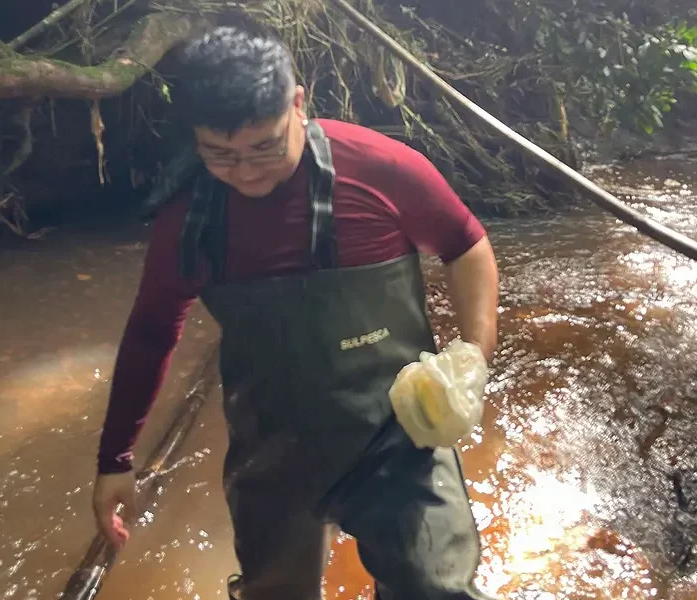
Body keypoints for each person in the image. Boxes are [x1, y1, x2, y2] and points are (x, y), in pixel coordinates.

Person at [92, 26, 500, 600]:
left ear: (298, 105)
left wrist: (473, 355)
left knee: (435, 586)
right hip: (273, 448)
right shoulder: (187, 221)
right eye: (220, 155)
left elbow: (465, 245)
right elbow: (152, 332)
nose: (247, 172)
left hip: (400, 434)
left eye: (265, 147)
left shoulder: (380, 170)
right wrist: (115, 457)